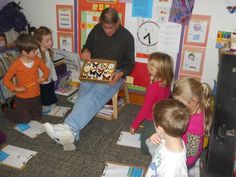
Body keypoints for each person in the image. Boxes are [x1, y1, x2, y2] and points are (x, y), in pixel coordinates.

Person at [43, 7, 135, 150]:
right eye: (105, 27)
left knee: (97, 93)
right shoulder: (97, 29)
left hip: (115, 72)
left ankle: (69, 127)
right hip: (95, 67)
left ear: (118, 22)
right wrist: (85, 51)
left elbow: (130, 63)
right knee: (84, 90)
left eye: (110, 28)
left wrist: (120, 74)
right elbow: (87, 47)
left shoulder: (127, 37)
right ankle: (73, 133)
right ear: (101, 23)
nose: (107, 31)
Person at [150, 78, 213, 176]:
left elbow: (191, 153)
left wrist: (167, 140)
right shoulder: (193, 108)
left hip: (185, 160)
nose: (175, 103)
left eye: (179, 102)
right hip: (178, 142)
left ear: (193, 101)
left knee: (151, 147)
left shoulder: (196, 126)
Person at [129, 52, 173, 155]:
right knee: (156, 135)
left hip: (152, 119)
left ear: (158, 70)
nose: (147, 66)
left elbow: (145, 110)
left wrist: (134, 125)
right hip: (162, 116)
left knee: (144, 148)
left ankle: (161, 148)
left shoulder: (154, 87)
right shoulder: (166, 81)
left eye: (150, 66)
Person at [2, 34, 49, 123]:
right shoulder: (16, 64)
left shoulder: (37, 59)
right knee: (25, 120)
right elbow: (6, 80)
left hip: (36, 95)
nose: (37, 53)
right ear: (24, 52)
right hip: (22, 97)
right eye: (34, 51)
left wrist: (43, 78)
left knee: (38, 118)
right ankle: (7, 110)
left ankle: (23, 110)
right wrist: (16, 88)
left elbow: (46, 71)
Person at [145, 99, 189, 177]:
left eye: (154, 123)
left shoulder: (172, 168)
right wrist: (152, 138)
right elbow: (158, 153)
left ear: (161, 130)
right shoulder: (173, 138)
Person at [33, 26, 57, 113]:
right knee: (44, 95)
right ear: (39, 42)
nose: (50, 42)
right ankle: (44, 106)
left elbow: (51, 65)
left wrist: (54, 77)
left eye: (51, 39)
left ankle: (51, 103)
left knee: (50, 92)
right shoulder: (37, 54)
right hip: (42, 80)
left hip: (49, 79)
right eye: (47, 41)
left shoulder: (48, 51)